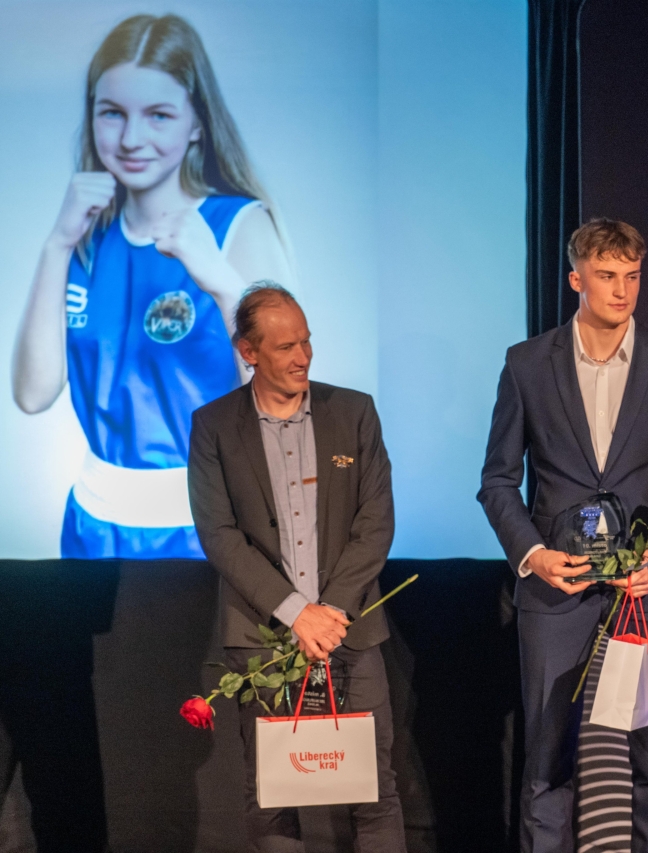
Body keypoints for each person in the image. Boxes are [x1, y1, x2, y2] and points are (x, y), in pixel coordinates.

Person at [478, 218, 648, 853]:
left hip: (644, 592)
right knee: (545, 765)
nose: (622, 291)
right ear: (576, 280)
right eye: (608, 276)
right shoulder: (527, 364)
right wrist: (533, 556)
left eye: (633, 276)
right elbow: (498, 481)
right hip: (556, 591)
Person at [12, 13, 292, 559]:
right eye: (112, 113)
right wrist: (56, 245)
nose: (131, 138)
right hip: (93, 528)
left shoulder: (238, 226)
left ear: (197, 123)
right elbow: (32, 395)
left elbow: (287, 409)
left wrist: (222, 283)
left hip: (206, 533)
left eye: (158, 115)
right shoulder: (86, 236)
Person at [187, 285, 405, 852]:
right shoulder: (214, 425)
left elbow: (376, 521)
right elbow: (219, 535)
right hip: (262, 639)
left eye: (306, 342)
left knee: (375, 793)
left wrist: (329, 612)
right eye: (286, 347)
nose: (302, 357)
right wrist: (295, 614)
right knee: (273, 799)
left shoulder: (354, 412)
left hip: (350, 633)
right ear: (248, 352)